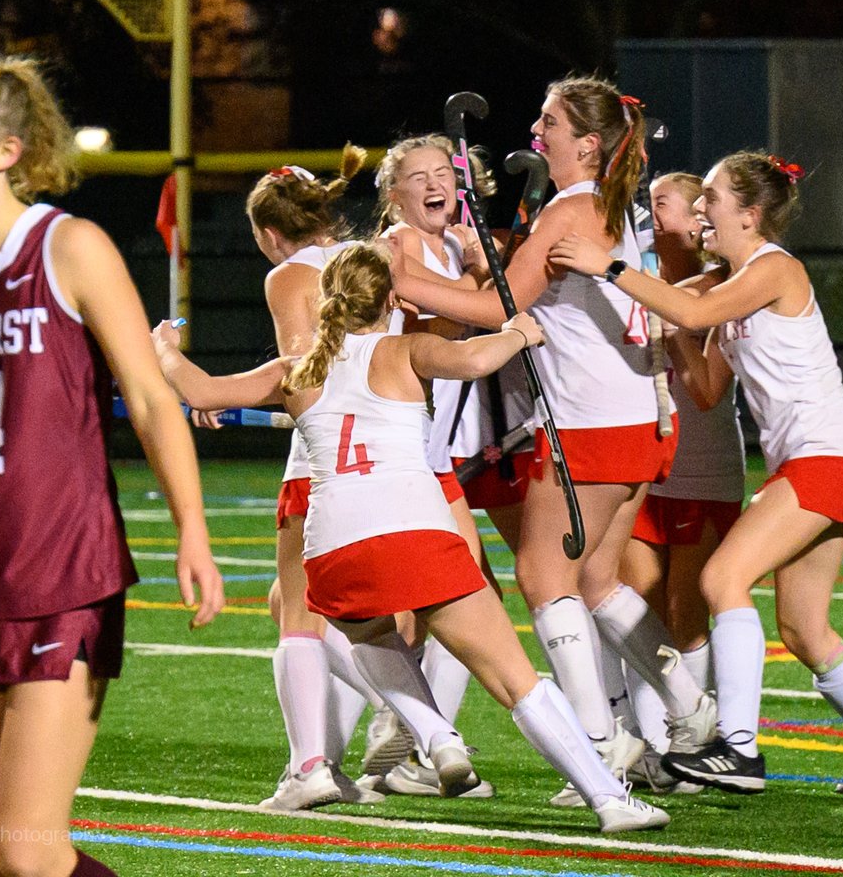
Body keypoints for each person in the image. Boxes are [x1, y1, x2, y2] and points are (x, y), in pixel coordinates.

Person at [0, 51, 225, 877]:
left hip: (60, 575)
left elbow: (150, 399)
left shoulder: (67, 247)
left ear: (7, 149)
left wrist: (192, 529)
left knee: (27, 852)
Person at [548, 150, 843, 797]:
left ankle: (737, 748)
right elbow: (706, 386)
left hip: (825, 456)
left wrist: (611, 265)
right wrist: (652, 318)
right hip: (814, 459)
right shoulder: (727, 281)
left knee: (721, 579)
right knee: (805, 630)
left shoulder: (774, 268)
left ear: (750, 214)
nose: (699, 209)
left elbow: (691, 312)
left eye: (710, 198)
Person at [389, 77, 716, 808]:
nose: (537, 130)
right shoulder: (609, 205)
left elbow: (496, 306)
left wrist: (403, 277)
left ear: (588, 143)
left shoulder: (573, 208)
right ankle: (688, 707)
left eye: (550, 122)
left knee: (543, 581)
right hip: (635, 417)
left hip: (591, 423)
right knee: (596, 582)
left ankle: (601, 746)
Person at [279, 241, 669, 833]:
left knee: (369, 639)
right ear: (392, 300)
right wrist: (519, 333)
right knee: (516, 680)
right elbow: (474, 358)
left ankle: (436, 736)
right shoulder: (406, 347)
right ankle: (607, 797)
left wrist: (166, 354)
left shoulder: (296, 369)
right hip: (411, 529)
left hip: (333, 547)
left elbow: (203, 391)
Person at [153, 151, 387, 811]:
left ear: (268, 233)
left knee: (302, 614)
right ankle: (344, 751)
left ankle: (339, 752)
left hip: (323, 457)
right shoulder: (370, 258)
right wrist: (238, 392)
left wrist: (174, 358)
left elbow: (302, 372)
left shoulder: (289, 275)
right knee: (293, 604)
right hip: (389, 450)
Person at [371, 134, 532, 797]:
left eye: (444, 172)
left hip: (430, 448)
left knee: (446, 598)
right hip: (400, 447)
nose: (436, 184)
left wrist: (475, 264)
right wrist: (478, 273)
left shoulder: (449, 245)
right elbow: (446, 317)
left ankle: (409, 740)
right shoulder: (399, 243)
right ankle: (408, 737)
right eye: (419, 177)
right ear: (394, 195)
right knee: (437, 599)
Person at [613, 173, 745, 790]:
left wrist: (659, 315)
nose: (650, 206)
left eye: (664, 199)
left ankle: (697, 744)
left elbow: (708, 389)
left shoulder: (721, 284)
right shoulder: (646, 273)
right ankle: (655, 748)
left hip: (702, 468)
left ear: (699, 221)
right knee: (634, 607)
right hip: (649, 467)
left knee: (684, 611)